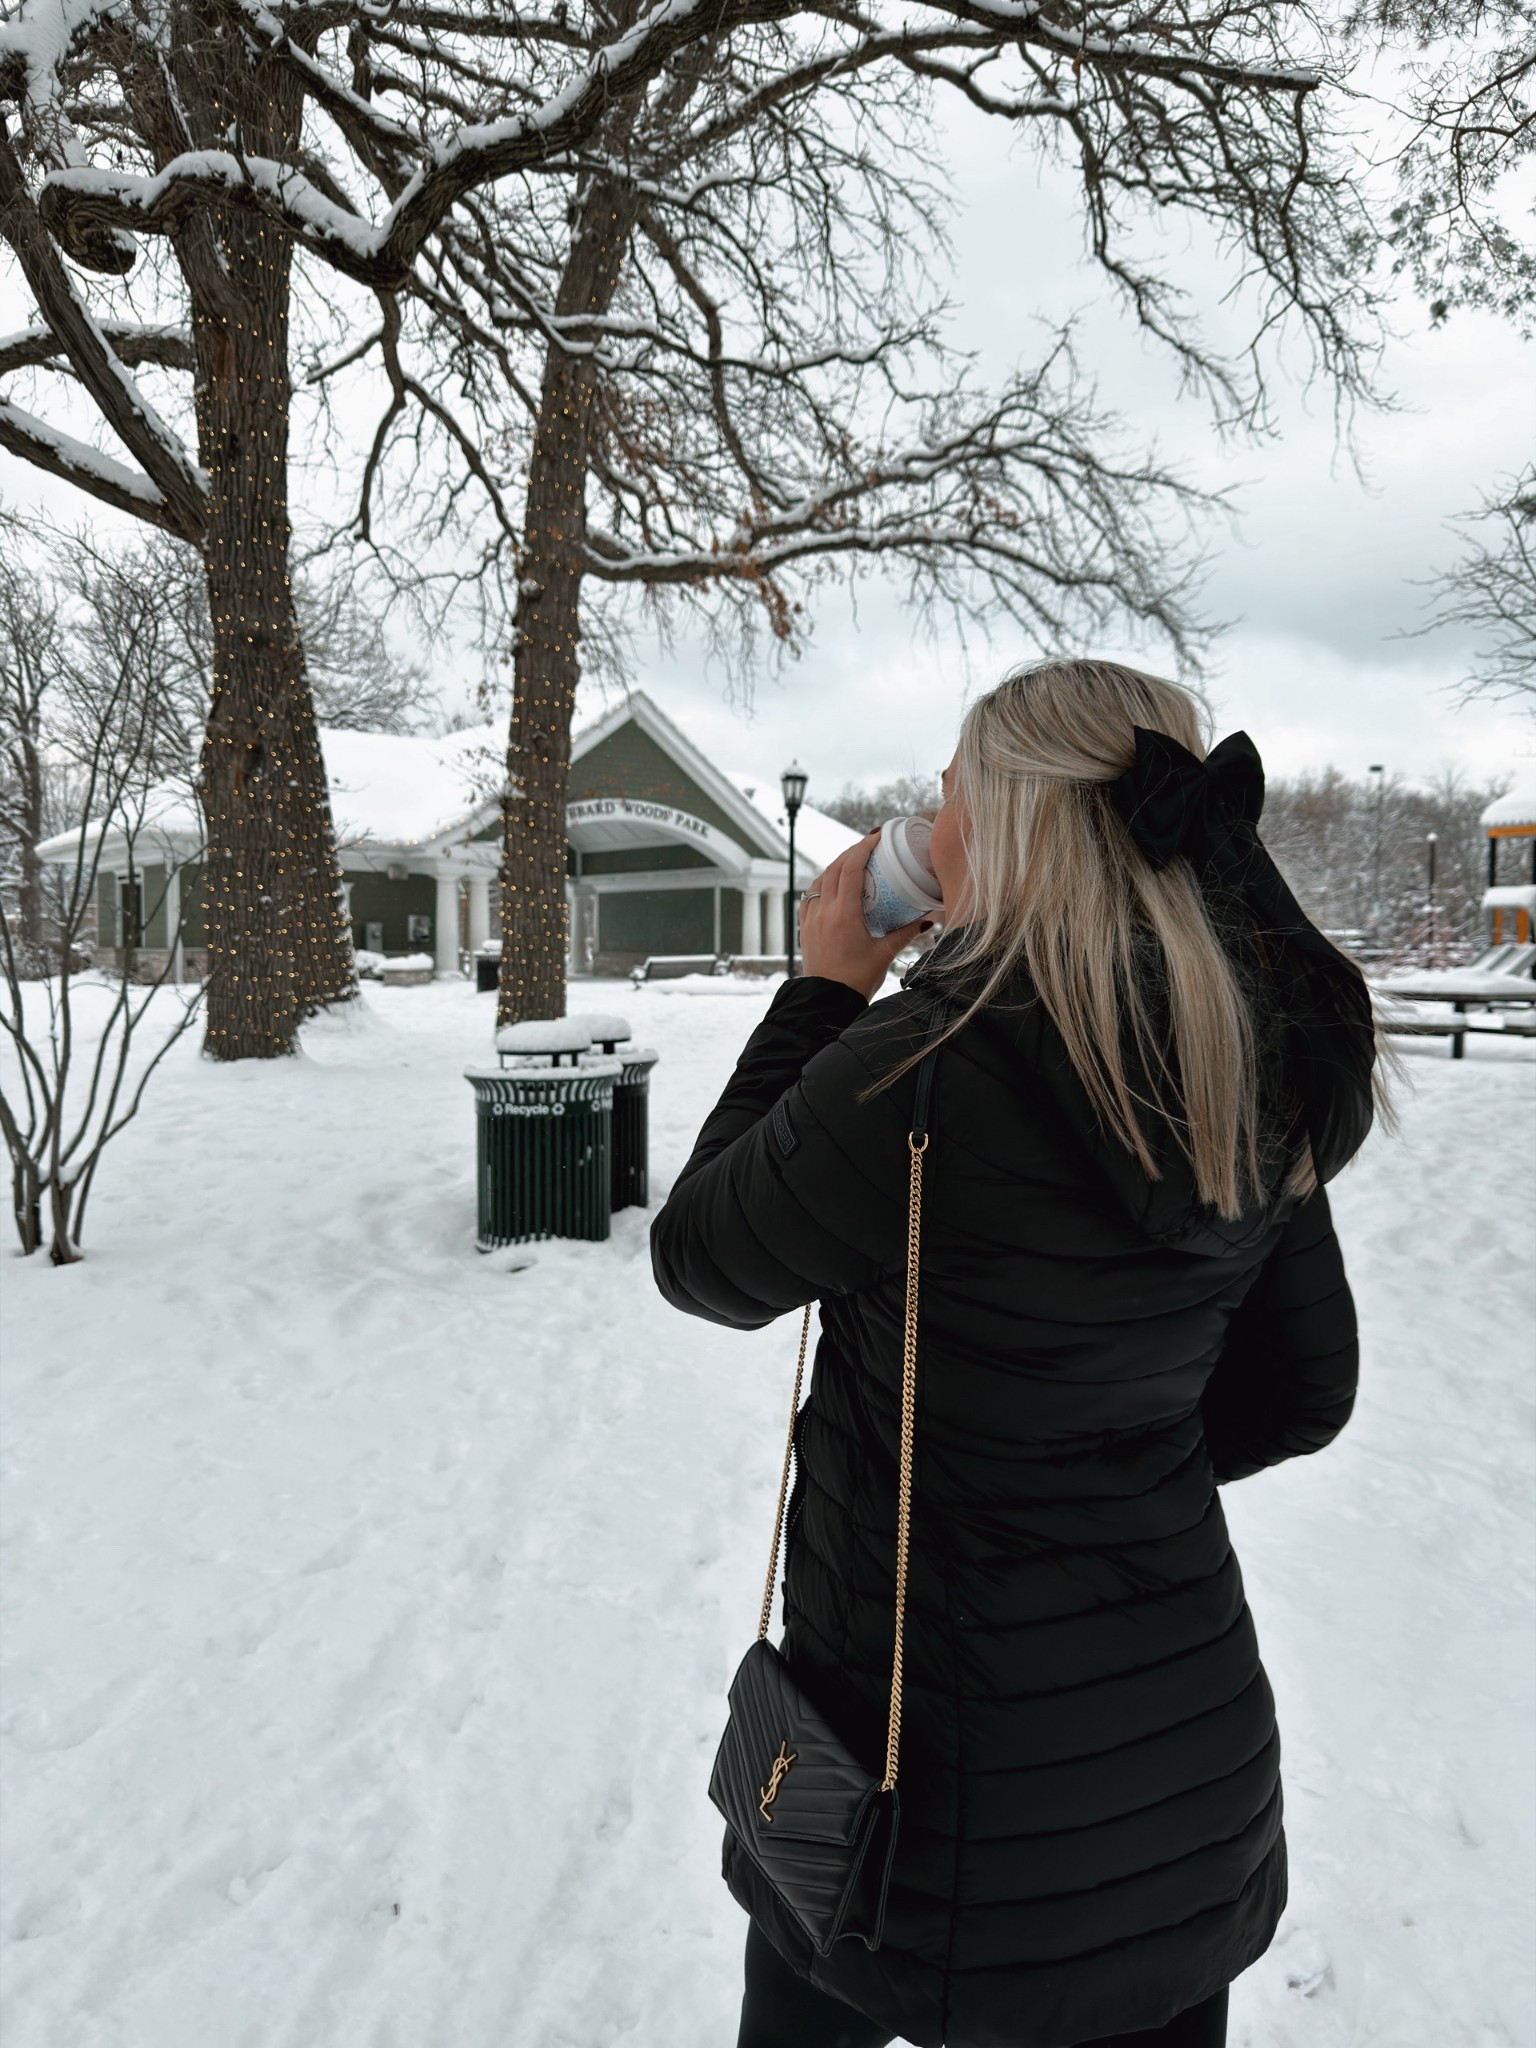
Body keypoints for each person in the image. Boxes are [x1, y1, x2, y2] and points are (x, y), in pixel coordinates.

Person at [650, 658, 1380, 2048]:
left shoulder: (922, 1065)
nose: (929, 824)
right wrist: (1104, 1453)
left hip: (910, 1793)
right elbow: (1302, 1389)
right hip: (1172, 1789)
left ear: (1008, 824)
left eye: (947, 799)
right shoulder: (1258, 1052)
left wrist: (823, 989)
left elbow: (702, 1259)